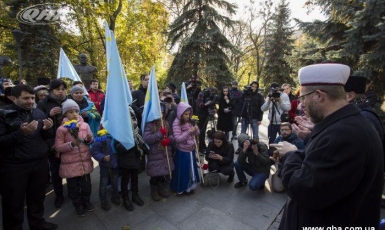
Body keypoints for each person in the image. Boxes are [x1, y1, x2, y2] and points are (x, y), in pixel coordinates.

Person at [271, 63, 383, 229]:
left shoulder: (344, 134)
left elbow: (304, 190)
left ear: (318, 95)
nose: (301, 104)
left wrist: (290, 154)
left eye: (303, 98)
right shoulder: (345, 125)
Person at [0, 85, 57, 230]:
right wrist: (20, 133)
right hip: (14, 167)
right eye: (26, 98)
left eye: (32, 98)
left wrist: (47, 130)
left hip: (39, 163)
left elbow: (47, 138)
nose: (31, 101)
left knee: (37, 197)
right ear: (13, 98)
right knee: (14, 202)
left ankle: (37, 224)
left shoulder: (38, 113)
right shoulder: (3, 114)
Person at [55, 99, 94, 217]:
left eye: (76, 111)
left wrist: (88, 139)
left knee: (87, 185)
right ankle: (78, 205)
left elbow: (90, 138)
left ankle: (86, 201)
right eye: (71, 112)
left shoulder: (85, 125)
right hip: (70, 164)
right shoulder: (62, 129)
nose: (74, 114)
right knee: (73, 187)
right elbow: (58, 147)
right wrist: (71, 144)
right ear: (65, 114)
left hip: (84, 162)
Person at [37, 79, 68, 208]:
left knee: (70, 166)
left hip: (70, 141)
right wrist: (48, 114)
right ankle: (59, 195)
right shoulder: (43, 103)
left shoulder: (69, 101)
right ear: (51, 91)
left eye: (63, 89)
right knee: (55, 171)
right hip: (52, 143)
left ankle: (73, 191)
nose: (60, 91)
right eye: (57, 89)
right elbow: (37, 121)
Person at [114, 106, 145, 211]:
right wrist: (130, 142)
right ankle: (125, 198)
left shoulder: (137, 130)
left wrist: (141, 148)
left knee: (135, 179)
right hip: (125, 161)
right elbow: (118, 147)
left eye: (132, 118)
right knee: (125, 181)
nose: (130, 121)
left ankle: (135, 195)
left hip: (136, 160)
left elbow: (141, 143)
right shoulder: (120, 132)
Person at [143, 103, 174, 201]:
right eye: (158, 112)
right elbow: (147, 138)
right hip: (154, 153)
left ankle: (161, 186)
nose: (160, 114)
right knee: (155, 173)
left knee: (163, 172)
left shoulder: (166, 123)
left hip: (165, 152)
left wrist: (169, 140)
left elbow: (172, 135)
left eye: (162, 112)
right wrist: (160, 133)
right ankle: (154, 188)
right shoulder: (149, 125)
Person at [171, 102, 201, 194]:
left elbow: (197, 134)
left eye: (189, 114)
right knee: (184, 171)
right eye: (186, 114)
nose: (188, 116)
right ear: (181, 113)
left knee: (191, 169)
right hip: (183, 151)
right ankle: (183, 188)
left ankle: (190, 186)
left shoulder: (189, 121)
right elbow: (177, 139)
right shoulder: (176, 123)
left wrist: (196, 130)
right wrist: (188, 132)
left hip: (190, 149)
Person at [91, 129, 121, 211]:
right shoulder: (101, 138)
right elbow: (94, 151)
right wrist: (102, 157)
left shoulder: (115, 136)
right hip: (105, 165)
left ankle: (115, 196)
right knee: (103, 183)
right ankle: (103, 200)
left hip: (114, 165)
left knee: (115, 181)